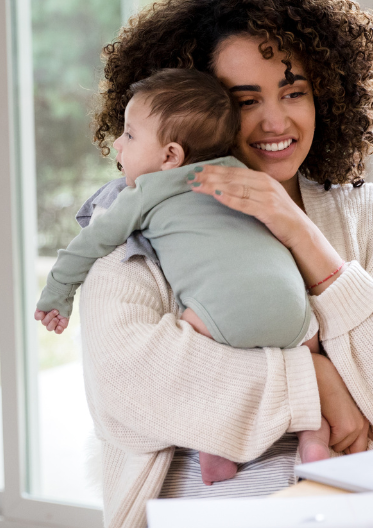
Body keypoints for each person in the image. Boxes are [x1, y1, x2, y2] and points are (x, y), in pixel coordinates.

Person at [76, 0, 373, 528]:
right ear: (194, 113)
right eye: (244, 100)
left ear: (326, 94)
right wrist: (317, 383)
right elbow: (128, 391)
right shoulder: (138, 217)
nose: (275, 122)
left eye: (294, 91)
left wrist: (306, 239)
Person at [34, 68, 333, 485]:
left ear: (171, 156)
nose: (117, 144)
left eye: (130, 135)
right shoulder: (244, 176)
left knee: (197, 365)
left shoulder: (144, 193)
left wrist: (57, 293)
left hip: (221, 313)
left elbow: (91, 242)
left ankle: (216, 451)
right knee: (317, 364)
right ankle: (316, 442)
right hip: (293, 311)